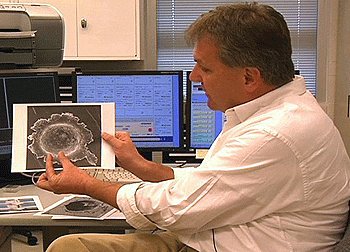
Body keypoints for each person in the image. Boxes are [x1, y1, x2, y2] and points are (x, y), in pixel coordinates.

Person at [37, 2, 350, 252]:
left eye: (206, 67)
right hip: (204, 236)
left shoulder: (274, 134)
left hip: (207, 240)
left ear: (249, 78)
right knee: (70, 245)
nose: (193, 77)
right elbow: (209, 184)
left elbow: (178, 207)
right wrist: (141, 166)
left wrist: (87, 184)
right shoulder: (273, 111)